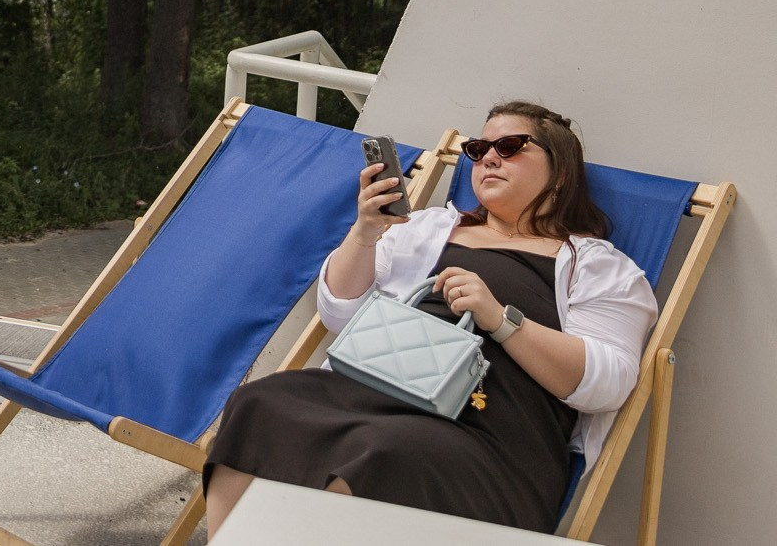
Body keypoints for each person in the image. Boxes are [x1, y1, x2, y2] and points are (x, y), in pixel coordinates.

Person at [199, 102, 658, 536]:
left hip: (491, 437)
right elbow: (339, 312)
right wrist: (365, 231)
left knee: (387, 454)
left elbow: (609, 382)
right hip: (377, 394)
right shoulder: (426, 227)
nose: (489, 159)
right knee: (259, 404)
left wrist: (501, 319)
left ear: (560, 173)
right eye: (478, 151)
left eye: (510, 147)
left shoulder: (596, 264)